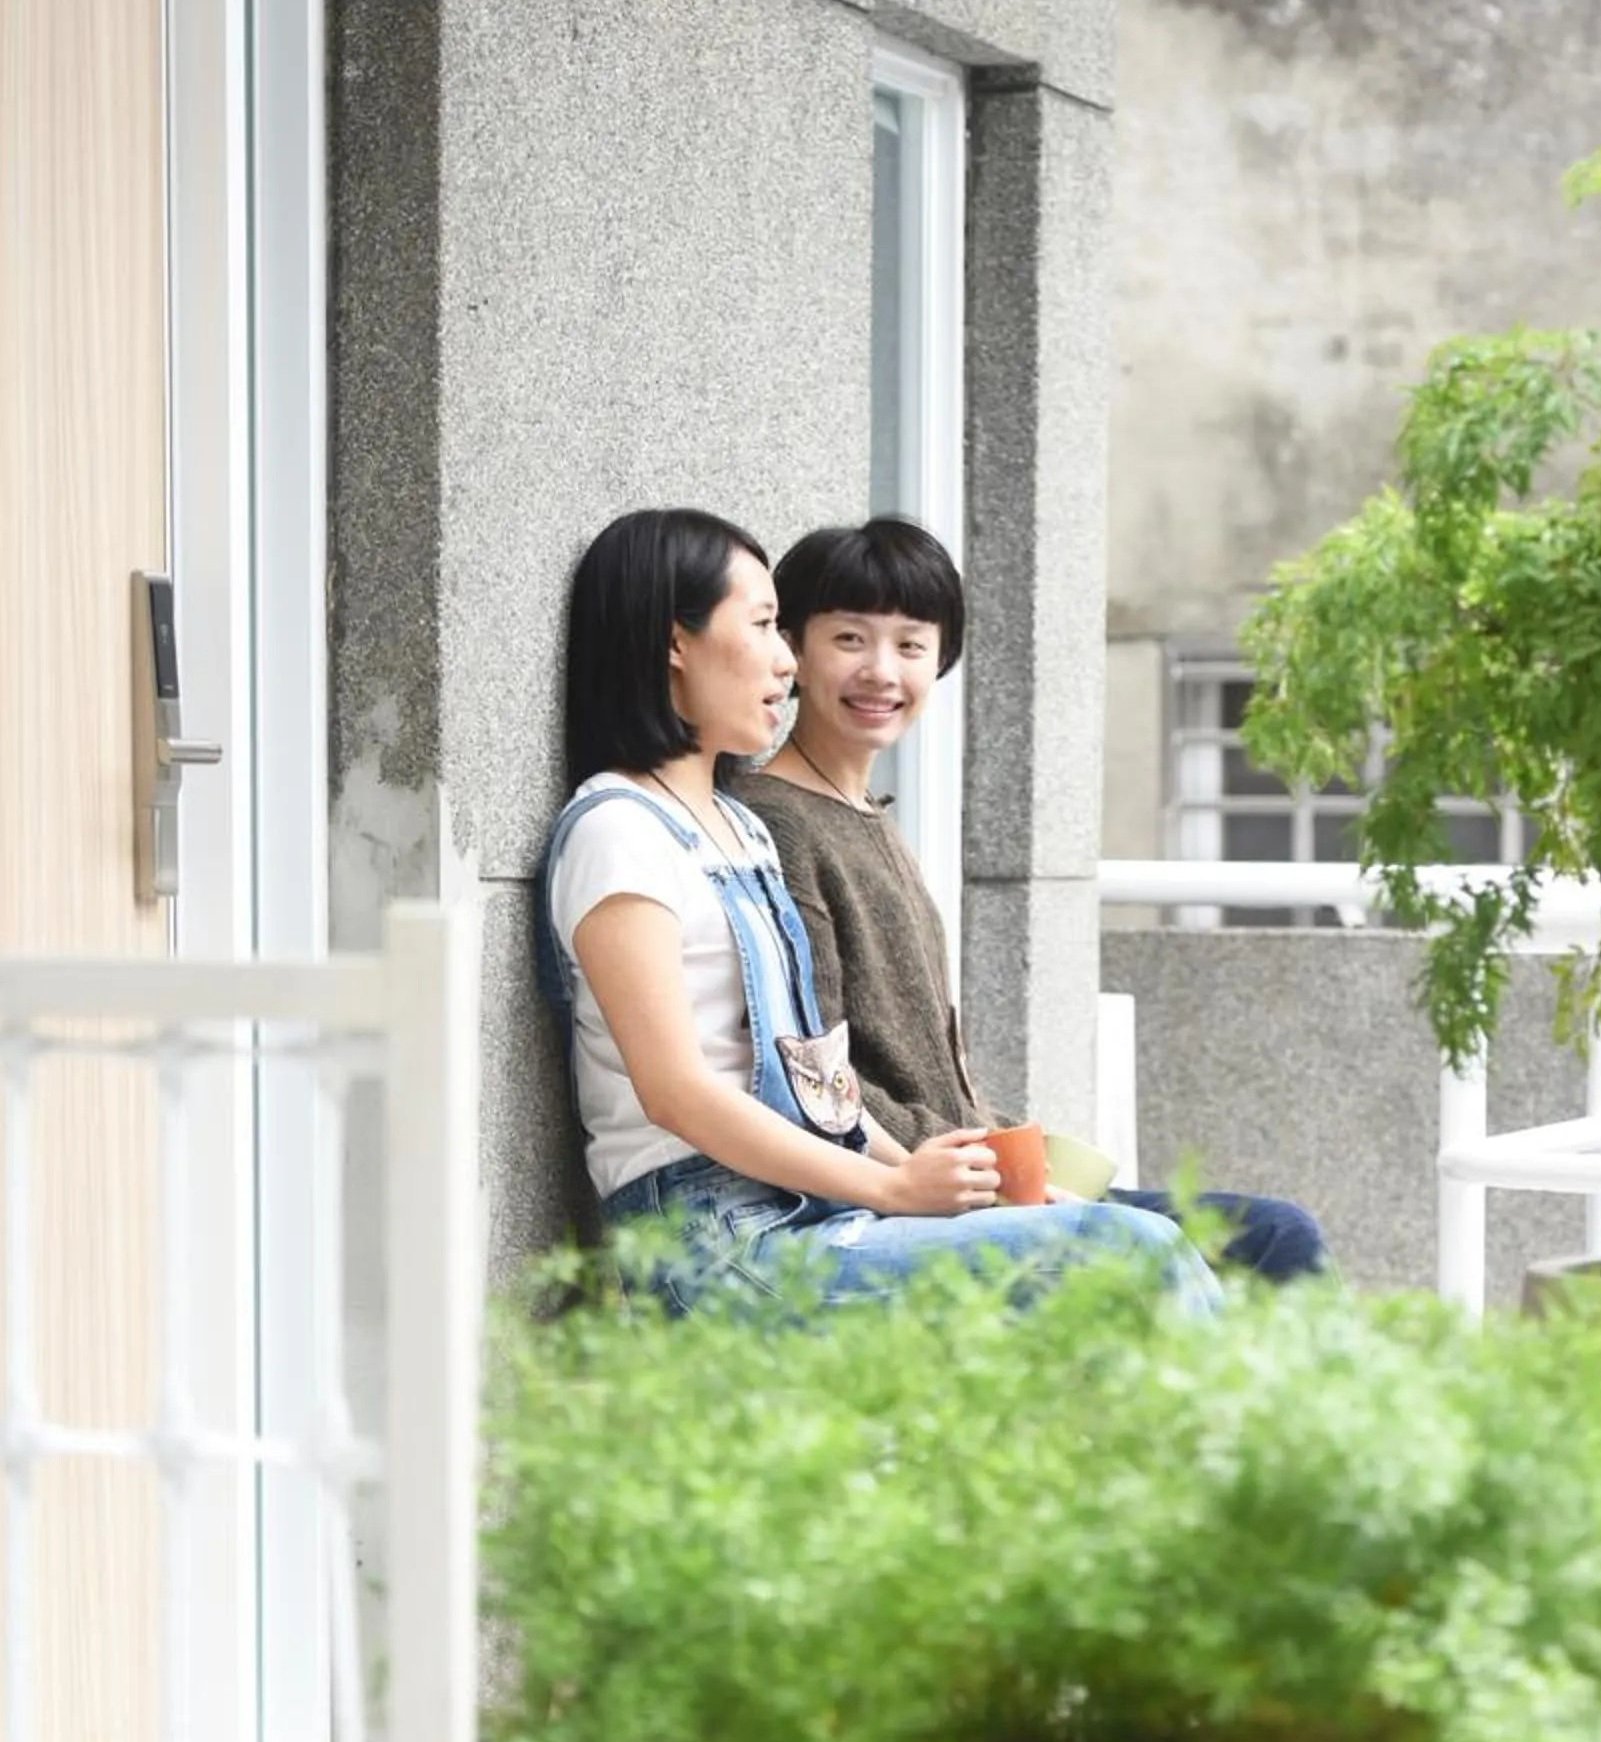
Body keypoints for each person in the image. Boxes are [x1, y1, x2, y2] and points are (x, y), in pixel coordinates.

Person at [533, 506, 1218, 1314]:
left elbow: (819, 1077)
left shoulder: (740, 829)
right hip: (714, 1244)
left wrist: (947, 1186)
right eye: (763, 626)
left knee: (1127, 1247)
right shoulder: (618, 830)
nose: (787, 662)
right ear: (675, 643)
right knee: (1129, 1256)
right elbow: (675, 1091)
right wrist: (892, 1187)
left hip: (811, 1206)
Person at [729, 516, 1330, 1282]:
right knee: (1269, 1244)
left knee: (1272, 1236)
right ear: (794, 652)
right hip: (917, 1196)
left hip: (978, 1171)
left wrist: (1016, 1145)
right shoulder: (776, 821)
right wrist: (982, 1166)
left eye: (911, 645)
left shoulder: (866, 815)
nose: (882, 671)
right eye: (850, 639)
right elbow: (817, 1070)